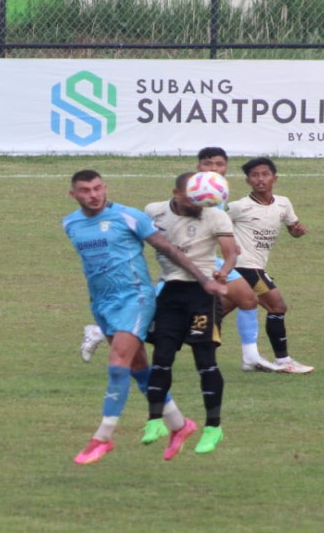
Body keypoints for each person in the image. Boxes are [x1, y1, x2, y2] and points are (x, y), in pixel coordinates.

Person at [64, 170, 227, 465]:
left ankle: (102, 437)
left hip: (134, 299)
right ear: (73, 195)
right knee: (139, 368)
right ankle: (180, 425)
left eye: (98, 188)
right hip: (102, 303)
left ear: (105, 187)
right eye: (86, 190)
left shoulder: (129, 217)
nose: (94, 195)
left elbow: (169, 249)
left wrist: (204, 280)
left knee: (117, 366)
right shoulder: (71, 224)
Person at [80, 147, 284, 372]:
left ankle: (250, 357)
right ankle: (101, 329)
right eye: (208, 164)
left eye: (219, 164)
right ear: (198, 168)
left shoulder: (217, 193)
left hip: (209, 260)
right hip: (186, 260)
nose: (214, 169)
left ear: (226, 167)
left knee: (246, 299)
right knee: (154, 309)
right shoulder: (192, 191)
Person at [142, 172, 240, 457]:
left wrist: (223, 270)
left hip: (203, 295)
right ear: (176, 193)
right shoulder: (154, 211)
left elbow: (232, 252)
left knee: (205, 361)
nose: (199, 203)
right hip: (170, 292)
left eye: (203, 199)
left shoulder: (215, 216)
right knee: (161, 358)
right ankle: (154, 420)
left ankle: (213, 427)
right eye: (192, 197)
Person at [223, 157, 314, 374]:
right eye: (255, 175)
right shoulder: (238, 207)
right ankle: (283, 361)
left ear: (275, 178)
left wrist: (297, 232)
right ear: (248, 181)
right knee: (277, 306)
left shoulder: (283, 203)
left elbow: (292, 227)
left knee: (216, 311)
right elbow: (213, 223)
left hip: (255, 268)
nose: (260, 179)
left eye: (265, 174)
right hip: (246, 268)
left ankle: (162, 335)